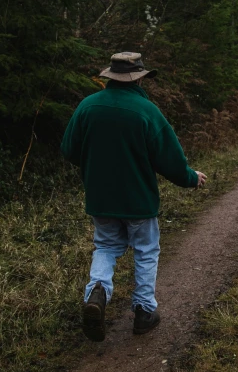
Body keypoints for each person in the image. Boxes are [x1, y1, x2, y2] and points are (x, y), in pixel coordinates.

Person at [61, 52, 207, 341]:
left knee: (105, 246)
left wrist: (95, 167)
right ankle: (143, 312)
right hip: (139, 200)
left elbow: (69, 149)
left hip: (101, 198)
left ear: (110, 76)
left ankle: (97, 292)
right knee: (145, 251)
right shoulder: (146, 111)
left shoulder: (87, 106)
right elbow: (170, 159)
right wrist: (191, 178)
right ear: (139, 77)